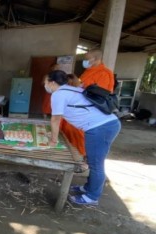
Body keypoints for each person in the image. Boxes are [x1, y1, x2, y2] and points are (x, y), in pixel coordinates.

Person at [45, 70, 121, 205]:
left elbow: (56, 119)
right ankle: (88, 188)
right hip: (107, 125)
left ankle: (92, 196)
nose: (45, 84)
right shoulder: (74, 89)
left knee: (96, 164)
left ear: (52, 82)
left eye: (46, 81)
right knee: (93, 160)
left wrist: (53, 140)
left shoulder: (59, 94)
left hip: (100, 128)